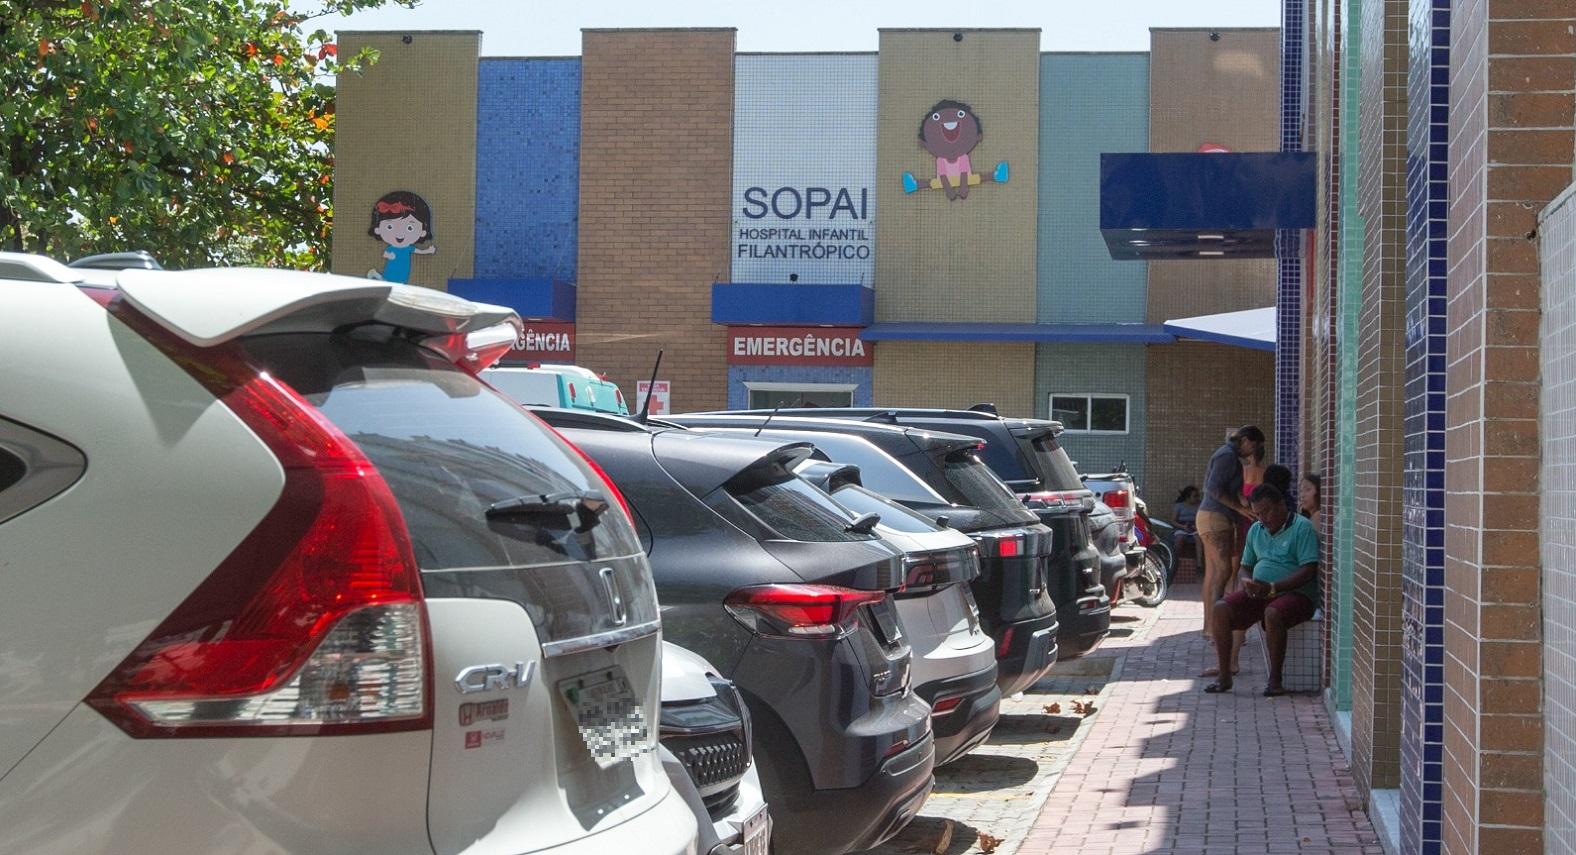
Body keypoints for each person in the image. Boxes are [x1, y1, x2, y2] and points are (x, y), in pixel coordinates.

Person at [1203, 483, 1320, 696]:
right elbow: (1245, 566)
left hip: (1296, 594)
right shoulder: (1257, 530)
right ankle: (1224, 676)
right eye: (1258, 513)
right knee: (1221, 608)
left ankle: (1275, 680)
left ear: (1282, 505)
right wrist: (1247, 581)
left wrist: (1274, 587)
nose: (1263, 518)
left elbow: (1309, 570)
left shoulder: (1302, 528)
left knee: (1272, 613)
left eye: (1267, 511)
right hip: (1261, 592)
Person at [1195, 425, 1265, 677]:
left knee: (1218, 573)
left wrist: (1243, 505)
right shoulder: (1226, 455)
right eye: (1253, 447)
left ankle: (1213, 627)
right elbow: (1214, 489)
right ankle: (1216, 626)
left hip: (1216, 517)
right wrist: (1237, 508)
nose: (1252, 453)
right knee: (1222, 572)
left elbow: (1228, 488)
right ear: (1246, 440)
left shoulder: (1229, 456)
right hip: (1215, 517)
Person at [1172, 486, 1200, 554]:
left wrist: (1197, 526)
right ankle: (1175, 559)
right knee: (1179, 538)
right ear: (1188, 498)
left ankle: (1199, 562)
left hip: (1195, 527)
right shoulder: (1179, 506)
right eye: (1195, 496)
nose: (1197, 498)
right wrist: (1183, 527)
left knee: (1199, 539)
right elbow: (1173, 521)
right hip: (1181, 527)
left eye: (1197, 496)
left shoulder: (1199, 505)